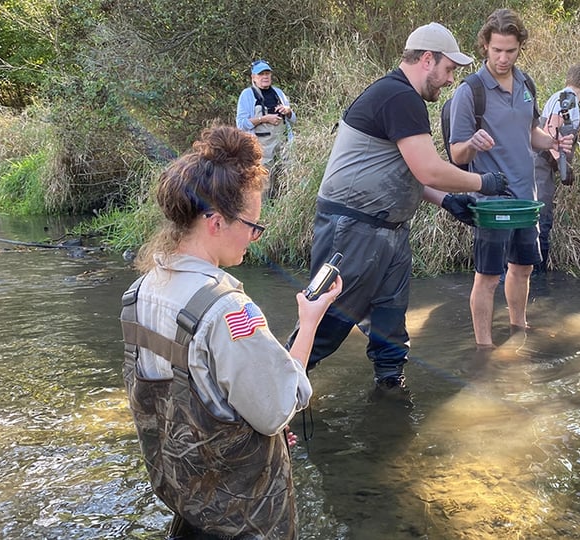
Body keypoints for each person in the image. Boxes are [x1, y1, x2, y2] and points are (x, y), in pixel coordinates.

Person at [119, 125, 341, 539]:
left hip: (188, 506)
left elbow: (180, 402)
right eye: (253, 225)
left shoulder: (139, 292)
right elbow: (277, 410)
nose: (256, 237)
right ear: (215, 221)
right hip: (243, 520)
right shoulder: (227, 308)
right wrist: (309, 322)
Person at [284, 22, 510, 402]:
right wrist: (483, 183)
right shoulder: (399, 97)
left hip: (384, 229)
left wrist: (447, 201)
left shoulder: (400, 96)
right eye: (448, 70)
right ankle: (271, 396)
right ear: (427, 59)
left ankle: (390, 394)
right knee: (325, 322)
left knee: (389, 322)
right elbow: (429, 169)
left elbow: (403, 172)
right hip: (352, 229)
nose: (449, 80)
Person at [448, 8, 574, 348]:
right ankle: (484, 347)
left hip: (527, 197)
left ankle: (519, 329)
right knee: (487, 278)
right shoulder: (470, 91)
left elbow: (530, 132)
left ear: (520, 48)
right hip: (491, 202)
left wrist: (552, 142)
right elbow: (456, 154)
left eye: (510, 51)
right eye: (496, 50)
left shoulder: (526, 83)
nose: (503, 58)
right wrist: (472, 144)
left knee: (523, 269)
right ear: (485, 47)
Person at [533, 62, 580, 273]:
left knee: (539, 218)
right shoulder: (570, 103)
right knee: (541, 220)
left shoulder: (559, 97)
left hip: (538, 164)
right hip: (540, 166)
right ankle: (536, 277)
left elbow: (560, 128)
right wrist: (565, 169)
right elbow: (550, 133)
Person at [236, 59, 296, 196]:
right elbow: (241, 124)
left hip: (284, 146)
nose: (265, 77)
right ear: (253, 78)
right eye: (261, 74)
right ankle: (265, 214)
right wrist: (264, 119)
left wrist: (288, 111)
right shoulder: (247, 95)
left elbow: (293, 120)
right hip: (261, 148)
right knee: (263, 187)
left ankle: (284, 212)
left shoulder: (278, 93)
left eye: (267, 73)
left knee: (286, 183)